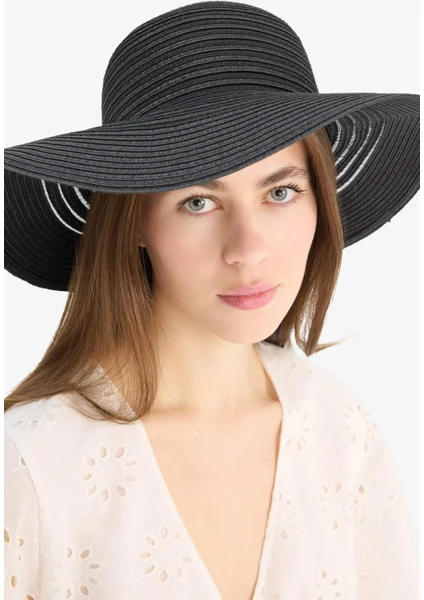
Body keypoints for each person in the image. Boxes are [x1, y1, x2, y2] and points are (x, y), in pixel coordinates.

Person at [4, 2, 419, 599]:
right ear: (134, 220)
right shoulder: (33, 466)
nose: (248, 250)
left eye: (280, 191)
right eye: (198, 202)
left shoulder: (340, 433)